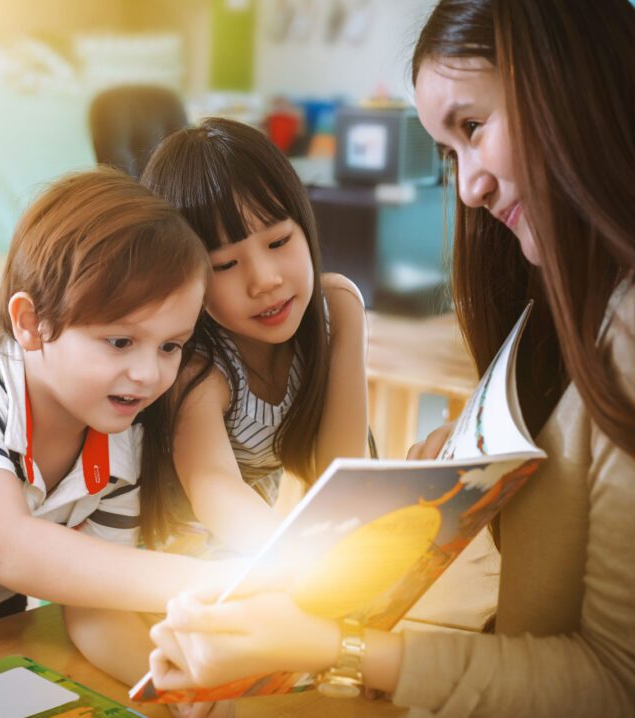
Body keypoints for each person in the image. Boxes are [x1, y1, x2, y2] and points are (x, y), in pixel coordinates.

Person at [146, 1, 635, 716]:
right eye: (450, 150)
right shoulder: (201, 369)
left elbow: (613, 681)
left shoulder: (613, 323)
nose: (468, 187)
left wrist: (328, 632)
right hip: (202, 573)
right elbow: (230, 489)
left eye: (473, 128)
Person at [0, 168, 250, 641]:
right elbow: (12, 549)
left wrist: (173, 684)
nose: (149, 374)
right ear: (30, 323)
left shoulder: (119, 436)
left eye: (170, 346)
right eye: (119, 341)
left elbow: (94, 608)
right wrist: (219, 583)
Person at [137, 116, 370, 555]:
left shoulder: (337, 309)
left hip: (255, 538)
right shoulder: (198, 363)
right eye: (225, 265)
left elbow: (340, 471)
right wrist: (291, 554)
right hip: (169, 544)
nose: (264, 280)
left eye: (279, 242)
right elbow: (212, 484)